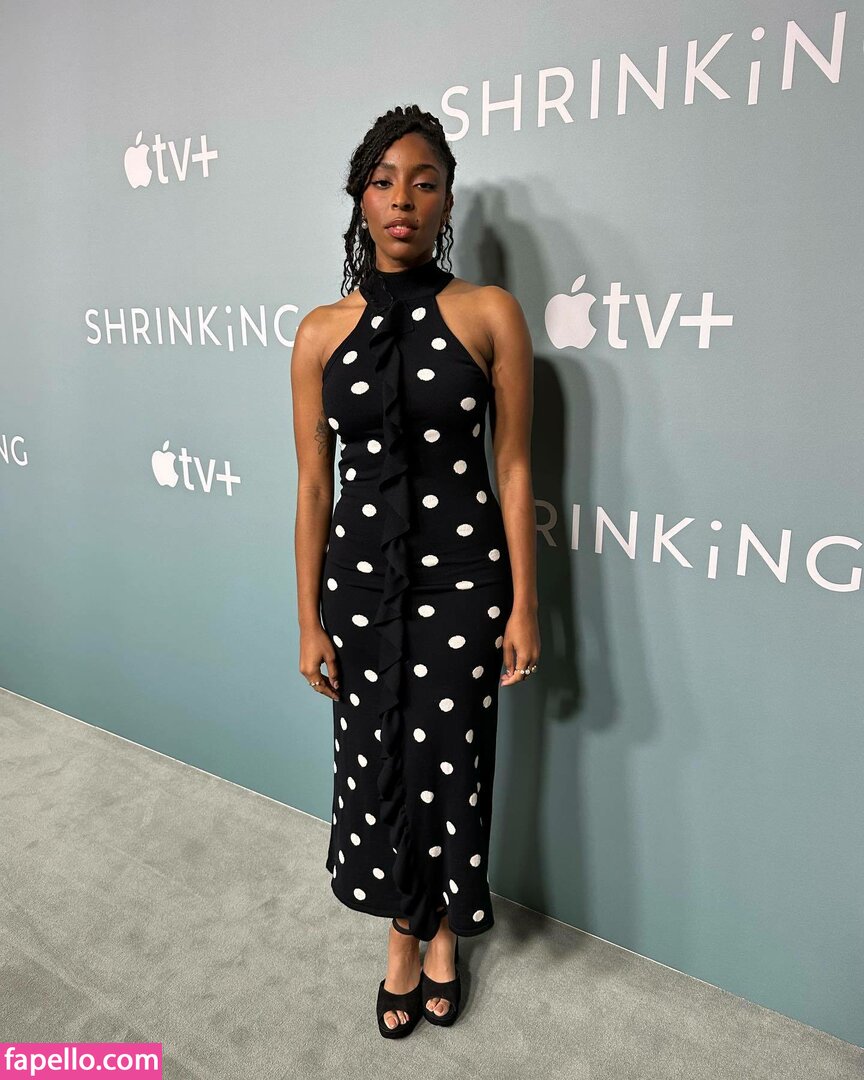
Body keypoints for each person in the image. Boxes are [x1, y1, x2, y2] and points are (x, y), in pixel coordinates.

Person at [291, 104, 540, 1037]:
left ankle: (437, 932)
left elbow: (513, 467)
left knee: (450, 760)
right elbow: (314, 485)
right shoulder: (320, 332)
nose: (403, 198)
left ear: (446, 202)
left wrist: (526, 603)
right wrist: (309, 619)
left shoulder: (489, 312)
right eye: (384, 180)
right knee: (374, 760)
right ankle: (407, 929)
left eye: (424, 182)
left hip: (463, 584)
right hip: (357, 588)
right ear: (360, 199)